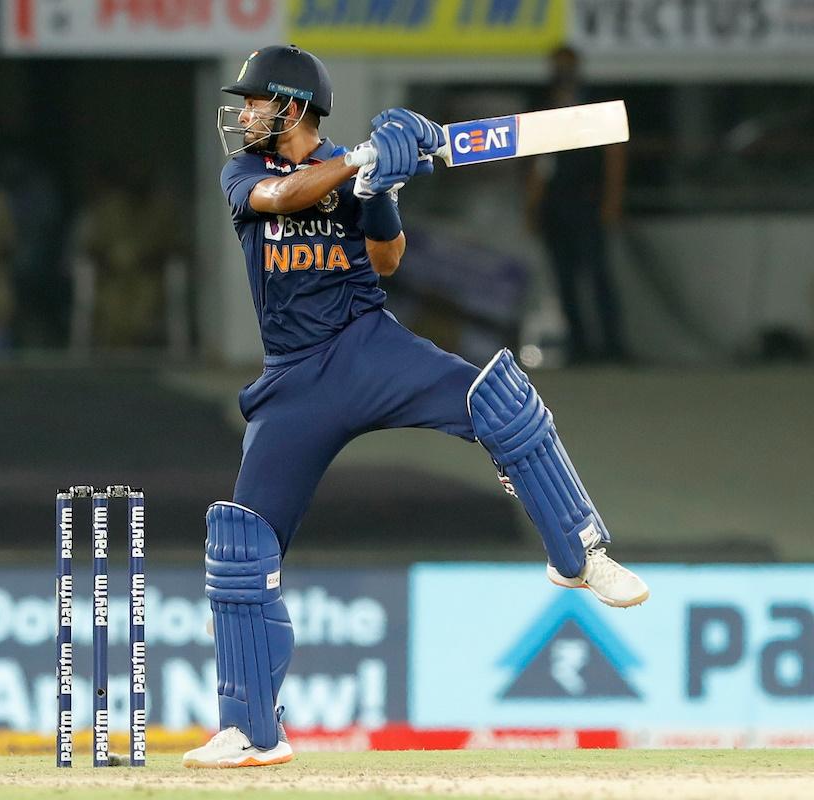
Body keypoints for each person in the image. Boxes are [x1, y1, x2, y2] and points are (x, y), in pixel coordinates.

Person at [182, 45, 649, 770]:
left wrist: (385, 184)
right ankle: (251, 731)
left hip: (369, 348)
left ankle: (579, 554)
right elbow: (285, 198)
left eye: (254, 102)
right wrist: (363, 161)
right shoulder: (246, 173)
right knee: (244, 544)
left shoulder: (354, 167)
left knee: (499, 400)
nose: (243, 115)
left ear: (292, 108)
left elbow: (388, 262)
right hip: (295, 381)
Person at [525, 45, 628, 364]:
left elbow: (614, 154)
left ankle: (612, 346)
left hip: (588, 200)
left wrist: (612, 198)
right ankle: (580, 347)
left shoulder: (594, 105)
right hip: (557, 206)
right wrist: (532, 207)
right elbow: (540, 164)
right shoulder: (545, 106)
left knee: (598, 276)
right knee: (565, 279)